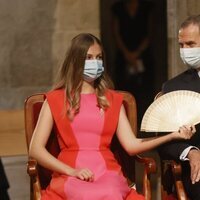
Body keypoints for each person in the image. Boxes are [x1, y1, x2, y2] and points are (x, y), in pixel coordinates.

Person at [29, 33, 195, 200]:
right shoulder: (55, 99)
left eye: (99, 57)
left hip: (107, 172)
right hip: (69, 172)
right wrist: (71, 171)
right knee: (84, 195)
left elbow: (131, 145)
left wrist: (173, 135)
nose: (95, 62)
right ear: (75, 60)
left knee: (112, 193)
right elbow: (35, 149)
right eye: (88, 57)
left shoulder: (112, 100)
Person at [158, 15, 200, 200]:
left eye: (191, 44)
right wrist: (190, 152)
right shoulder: (173, 87)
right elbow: (164, 141)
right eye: (181, 45)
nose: (185, 51)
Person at [111, 0, 155, 124]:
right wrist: (127, 54)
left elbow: (150, 33)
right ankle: (124, 121)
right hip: (123, 55)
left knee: (144, 89)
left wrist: (137, 53)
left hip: (144, 55)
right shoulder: (118, 8)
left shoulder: (147, 6)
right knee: (123, 87)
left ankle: (145, 122)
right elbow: (115, 33)